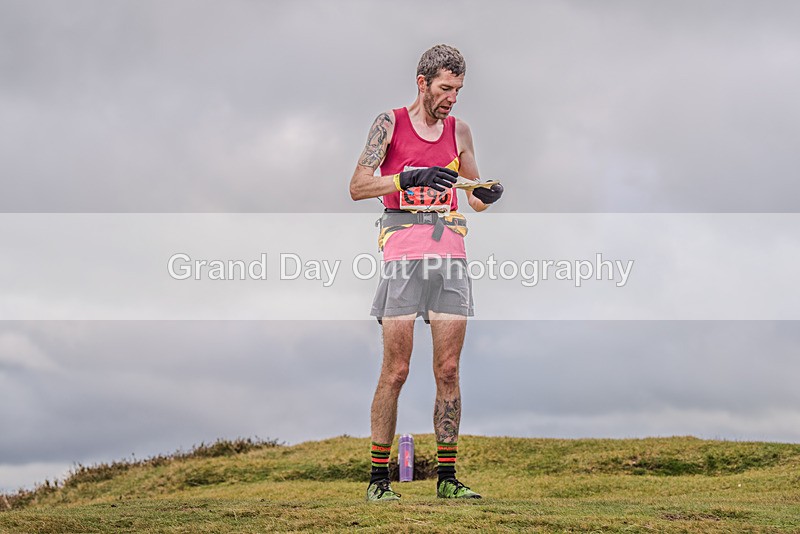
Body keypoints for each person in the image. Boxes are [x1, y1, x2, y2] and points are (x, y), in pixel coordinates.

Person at [349, 44, 504, 502]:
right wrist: (405, 179)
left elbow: (473, 196)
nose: (452, 97)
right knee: (396, 370)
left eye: (457, 89)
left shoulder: (460, 132)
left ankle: (448, 480)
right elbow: (357, 186)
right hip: (402, 253)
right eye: (444, 88)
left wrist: (488, 194)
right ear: (423, 83)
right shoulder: (389, 124)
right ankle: (379, 481)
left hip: (450, 254)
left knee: (449, 369)